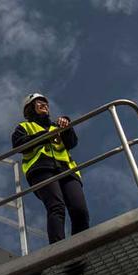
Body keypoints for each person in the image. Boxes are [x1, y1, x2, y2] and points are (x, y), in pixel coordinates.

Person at [12, 93, 89, 244]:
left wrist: (66, 126)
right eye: (39, 103)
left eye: (46, 103)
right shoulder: (24, 127)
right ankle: (59, 250)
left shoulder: (56, 125)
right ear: (30, 108)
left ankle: (81, 247)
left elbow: (71, 143)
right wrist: (45, 135)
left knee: (79, 210)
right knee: (56, 207)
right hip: (41, 170)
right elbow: (18, 145)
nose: (44, 105)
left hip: (67, 170)